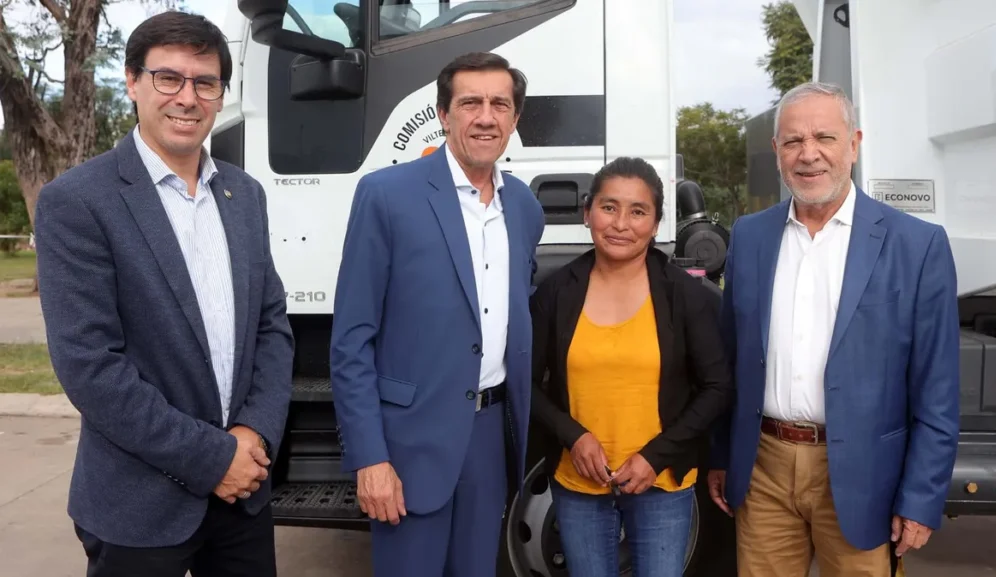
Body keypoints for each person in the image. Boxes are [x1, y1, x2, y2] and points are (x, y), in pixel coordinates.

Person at [34, 11, 294, 577]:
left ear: (221, 93)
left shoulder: (245, 195)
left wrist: (253, 434)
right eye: (168, 78)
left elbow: (271, 325)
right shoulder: (78, 201)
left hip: (243, 495)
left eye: (205, 82)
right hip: (139, 506)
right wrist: (214, 458)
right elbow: (90, 366)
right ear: (132, 82)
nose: (188, 98)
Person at [708, 81, 960, 577]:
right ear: (777, 150)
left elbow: (937, 389)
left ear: (854, 144)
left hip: (865, 475)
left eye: (824, 137)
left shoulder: (917, 245)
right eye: (793, 141)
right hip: (763, 468)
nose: (809, 154)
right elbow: (731, 358)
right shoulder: (750, 236)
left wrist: (921, 497)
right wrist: (722, 453)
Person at [329, 51, 545, 577]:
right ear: (444, 114)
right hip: (408, 443)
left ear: (515, 119)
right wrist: (370, 458)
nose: (486, 117)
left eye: (500, 105)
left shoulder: (523, 206)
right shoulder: (386, 195)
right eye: (470, 103)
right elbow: (352, 340)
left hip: (490, 438)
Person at [529, 157, 735, 577]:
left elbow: (717, 387)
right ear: (587, 213)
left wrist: (654, 457)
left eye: (638, 211)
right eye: (609, 207)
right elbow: (526, 385)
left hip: (661, 482)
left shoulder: (684, 296)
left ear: (656, 224)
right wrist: (573, 436)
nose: (621, 224)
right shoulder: (555, 293)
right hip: (578, 483)